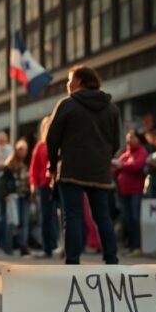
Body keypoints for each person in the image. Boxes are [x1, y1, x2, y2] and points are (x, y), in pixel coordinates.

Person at [46, 64, 121, 265]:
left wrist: (52, 165)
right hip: (100, 172)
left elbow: (52, 139)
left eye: (69, 80)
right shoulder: (111, 108)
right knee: (102, 217)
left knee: (73, 216)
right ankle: (111, 259)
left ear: (79, 81)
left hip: (71, 169)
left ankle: (73, 262)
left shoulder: (67, 104)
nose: (68, 84)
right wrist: (103, 159)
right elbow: (116, 143)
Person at [29, 116, 59, 258]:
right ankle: (48, 247)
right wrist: (33, 185)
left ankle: (62, 246)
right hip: (44, 186)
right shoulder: (40, 146)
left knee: (61, 216)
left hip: (59, 184)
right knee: (46, 217)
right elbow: (33, 169)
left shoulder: (59, 143)